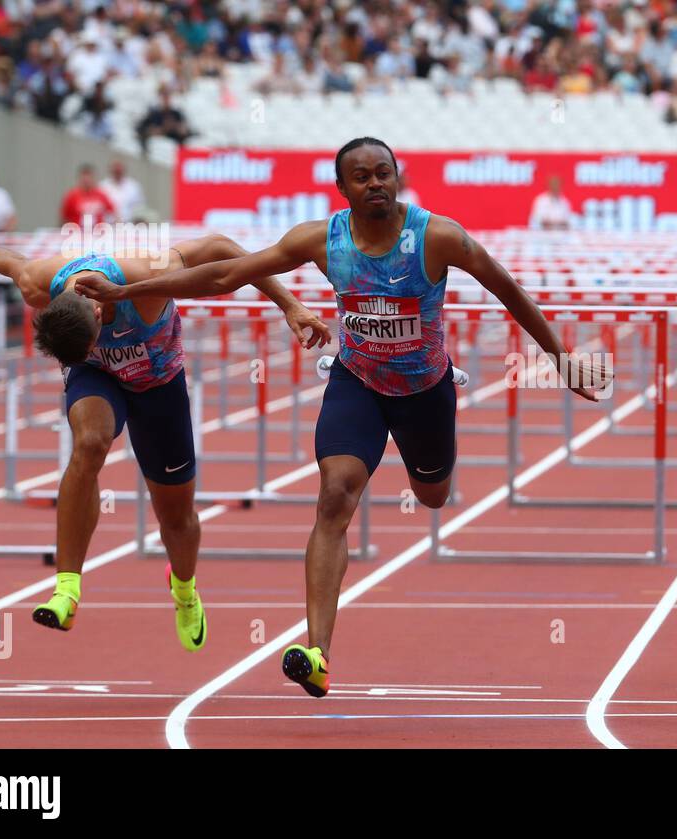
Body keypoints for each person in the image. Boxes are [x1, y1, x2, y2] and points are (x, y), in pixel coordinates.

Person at [75, 137, 611, 697]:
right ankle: (318, 651)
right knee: (335, 495)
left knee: (432, 495)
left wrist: (561, 358)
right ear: (343, 189)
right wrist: (125, 291)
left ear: (398, 178)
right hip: (356, 382)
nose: (375, 182)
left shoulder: (437, 237)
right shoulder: (322, 241)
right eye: (362, 176)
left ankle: (431, 447)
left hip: (425, 391)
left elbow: (506, 286)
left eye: (384, 173)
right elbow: (222, 276)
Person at [0, 217, 331, 650]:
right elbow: (9, 260)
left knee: (176, 515)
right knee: (89, 443)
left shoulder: (148, 275)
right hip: (97, 378)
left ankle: (185, 589)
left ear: (99, 312)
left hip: (158, 384)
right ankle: (67, 588)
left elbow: (221, 248)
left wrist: (289, 305)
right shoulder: (40, 283)